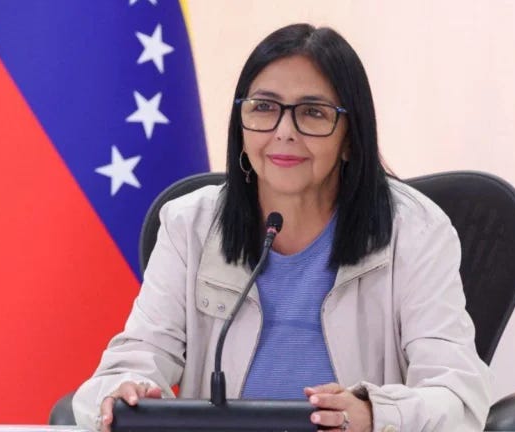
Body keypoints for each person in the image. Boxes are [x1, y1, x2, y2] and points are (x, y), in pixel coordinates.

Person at [73, 23, 491, 432]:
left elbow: (457, 397)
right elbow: (132, 362)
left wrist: (374, 414)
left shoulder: (415, 232)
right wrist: (123, 393)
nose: (284, 132)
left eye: (313, 112)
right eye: (264, 108)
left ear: (350, 137)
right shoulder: (190, 225)